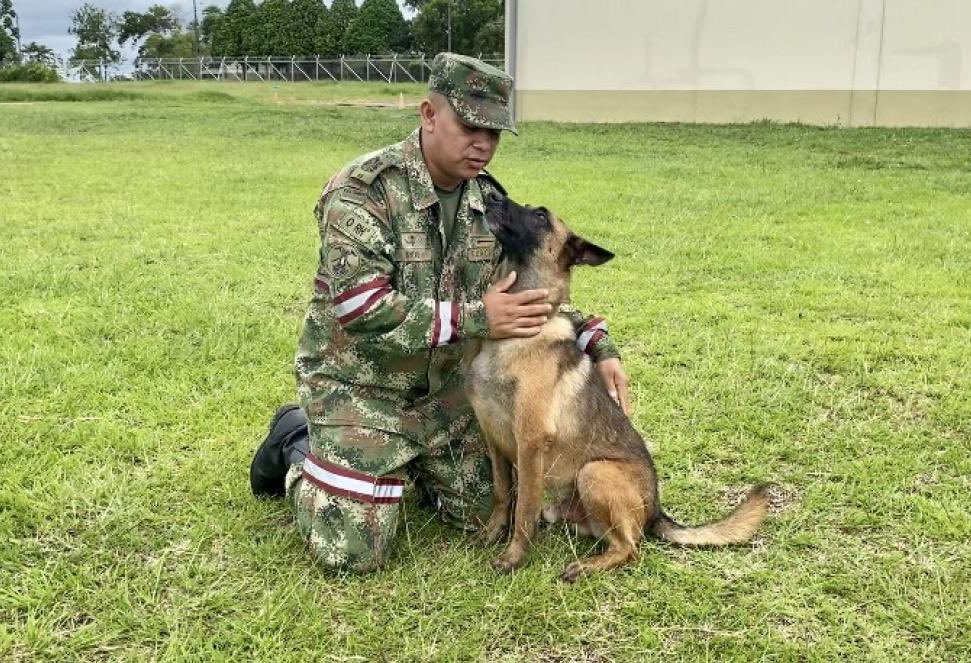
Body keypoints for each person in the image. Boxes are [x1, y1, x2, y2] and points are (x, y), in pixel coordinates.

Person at [249, 53, 630, 572]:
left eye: (494, 133)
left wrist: (597, 344)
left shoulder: (490, 203)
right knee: (351, 550)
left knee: (489, 515)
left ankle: (406, 466)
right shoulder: (363, 191)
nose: (484, 144)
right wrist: (478, 319)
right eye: (471, 126)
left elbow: (529, 293)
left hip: (448, 397)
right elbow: (363, 308)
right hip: (363, 390)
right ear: (429, 114)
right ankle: (295, 439)